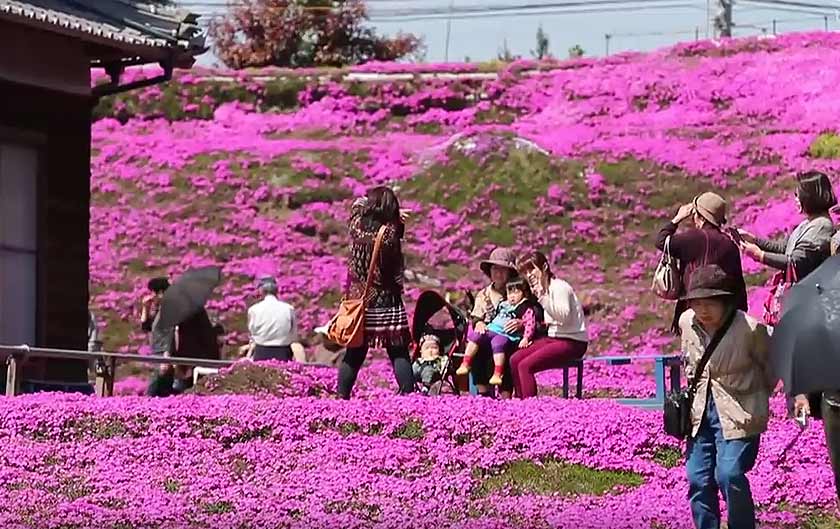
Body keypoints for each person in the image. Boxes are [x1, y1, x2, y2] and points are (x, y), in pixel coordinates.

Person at [679, 265, 775, 529]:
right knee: (698, 478)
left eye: (710, 302)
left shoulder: (749, 327)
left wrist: (759, 393)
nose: (702, 309)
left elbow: (772, 360)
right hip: (700, 413)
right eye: (697, 302)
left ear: (725, 300)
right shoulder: (687, 322)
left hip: (738, 411)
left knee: (730, 473)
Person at [336, 187, 415, 399]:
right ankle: (409, 396)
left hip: (360, 299)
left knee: (355, 352)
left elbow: (357, 204)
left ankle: (341, 396)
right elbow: (394, 260)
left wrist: (379, 207)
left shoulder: (356, 226)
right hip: (386, 299)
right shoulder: (389, 233)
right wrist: (396, 218)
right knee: (398, 350)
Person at [656, 192, 747, 333]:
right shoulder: (729, 244)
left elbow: (661, 241)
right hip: (722, 314)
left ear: (699, 217)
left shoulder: (692, 238)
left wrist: (677, 219)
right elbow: (739, 284)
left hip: (695, 309)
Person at [509, 251, 587, 399]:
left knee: (526, 366)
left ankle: (530, 407)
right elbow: (549, 321)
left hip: (573, 341)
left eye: (532, 269)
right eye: (525, 272)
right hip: (555, 338)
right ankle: (519, 402)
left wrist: (542, 298)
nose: (529, 275)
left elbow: (563, 317)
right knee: (515, 360)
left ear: (544, 267)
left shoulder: (559, 287)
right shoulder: (543, 290)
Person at [740, 170, 836, 284]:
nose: (796, 199)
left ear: (810, 197)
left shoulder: (821, 227)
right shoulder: (807, 223)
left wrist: (760, 255)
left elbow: (795, 262)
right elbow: (784, 248)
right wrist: (754, 240)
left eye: (798, 195)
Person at [457, 278, 539, 386]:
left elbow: (531, 323)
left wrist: (525, 336)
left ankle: (498, 373)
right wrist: (479, 322)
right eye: (510, 293)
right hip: (492, 329)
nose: (512, 296)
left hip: (507, 335)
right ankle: (465, 363)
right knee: (475, 337)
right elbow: (486, 315)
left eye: (516, 292)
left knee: (498, 344)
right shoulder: (500, 302)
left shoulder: (525, 307)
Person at [467, 247, 521, 398]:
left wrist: (520, 323)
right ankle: (483, 395)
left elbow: (530, 312)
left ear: (510, 272)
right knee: (477, 354)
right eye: (495, 269)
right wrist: (478, 323)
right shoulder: (483, 295)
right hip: (488, 335)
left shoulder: (519, 292)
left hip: (510, 338)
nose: (498, 273)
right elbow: (476, 316)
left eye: (503, 270)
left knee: (504, 355)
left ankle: (505, 395)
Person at [246, 276, 298, 361]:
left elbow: (252, 332)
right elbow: (294, 333)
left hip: (261, 351)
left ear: (261, 290)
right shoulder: (289, 309)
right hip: (283, 352)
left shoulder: (253, 310)